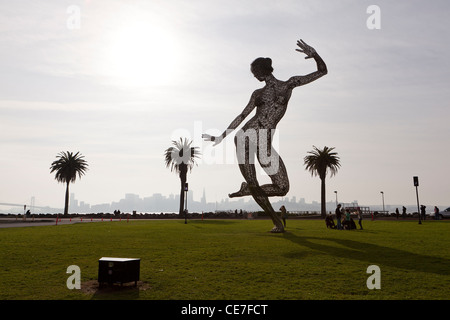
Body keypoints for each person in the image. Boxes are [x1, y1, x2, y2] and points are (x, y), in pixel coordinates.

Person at [203, 39, 327, 233]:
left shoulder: (289, 84)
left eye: (255, 73)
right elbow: (242, 115)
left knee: (282, 187)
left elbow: (322, 71)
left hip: (264, 144)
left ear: (262, 71)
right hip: (245, 137)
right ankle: (277, 222)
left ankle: (249, 189)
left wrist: (315, 54)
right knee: (254, 182)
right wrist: (222, 136)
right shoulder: (257, 93)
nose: (255, 77)